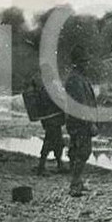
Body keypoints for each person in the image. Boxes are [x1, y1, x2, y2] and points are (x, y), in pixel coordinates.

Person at [64, 46, 97, 197]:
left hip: (77, 122)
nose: (88, 64)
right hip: (80, 123)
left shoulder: (78, 78)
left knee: (77, 151)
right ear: (78, 63)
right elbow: (81, 105)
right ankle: (75, 184)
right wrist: (90, 123)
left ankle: (77, 182)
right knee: (83, 152)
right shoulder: (76, 80)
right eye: (85, 62)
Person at [34, 69, 66, 175]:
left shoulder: (43, 88)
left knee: (55, 141)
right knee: (50, 142)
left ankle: (58, 164)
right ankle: (42, 167)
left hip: (49, 119)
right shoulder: (51, 87)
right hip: (53, 119)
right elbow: (59, 100)